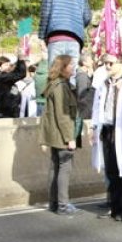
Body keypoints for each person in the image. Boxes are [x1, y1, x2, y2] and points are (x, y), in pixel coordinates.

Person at [95, 53, 122, 221]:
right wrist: (93, 127)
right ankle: (114, 206)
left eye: (111, 63)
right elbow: (97, 106)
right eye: (105, 64)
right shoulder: (104, 83)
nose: (108, 66)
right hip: (107, 128)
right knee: (110, 170)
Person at [40, 55, 80, 216]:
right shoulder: (61, 87)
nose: (73, 68)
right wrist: (70, 137)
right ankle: (63, 204)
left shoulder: (54, 85)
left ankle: (54, 203)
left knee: (55, 167)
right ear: (63, 68)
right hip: (62, 135)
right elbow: (63, 115)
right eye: (70, 65)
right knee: (64, 168)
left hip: (54, 135)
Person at [38, 0, 92, 67]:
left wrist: (41, 37)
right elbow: (87, 18)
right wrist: (77, 26)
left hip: (55, 38)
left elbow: (45, 14)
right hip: (75, 40)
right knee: (71, 75)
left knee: (54, 75)